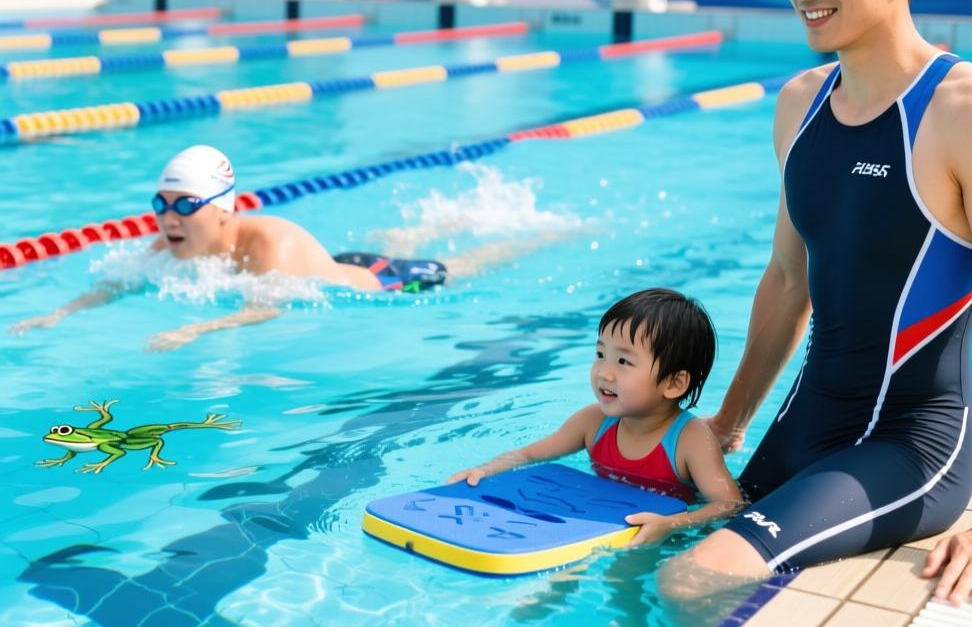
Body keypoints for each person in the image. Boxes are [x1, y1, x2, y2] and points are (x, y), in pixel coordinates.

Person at [659, 0, 972, 611]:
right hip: (807, 422)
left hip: (908, 447)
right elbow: (785, 280)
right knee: (644, 524)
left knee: (691, 578)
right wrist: (727, 424)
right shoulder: (800, 104)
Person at [10, 144, 453, 351]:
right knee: (391, 243)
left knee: (459, 266)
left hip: (387, 282)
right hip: (332, 264)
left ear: (224, 209)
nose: (168, 217)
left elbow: (264, 309)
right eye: (161, 204)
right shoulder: (167, 241)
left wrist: (196, 330)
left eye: (185, 204)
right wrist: (61, 313)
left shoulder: (268, 244)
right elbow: (119, 284)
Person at [449, 288, 746, 545]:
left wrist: (671, 525)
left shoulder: (690, 439)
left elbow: (729, 504)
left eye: (623, 361)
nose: (604, 372)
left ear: (674, 383)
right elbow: (527, 454)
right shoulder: (593, 423)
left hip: (671, 538)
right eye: (600, 354)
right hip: (602, 522)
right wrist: (485, 471)